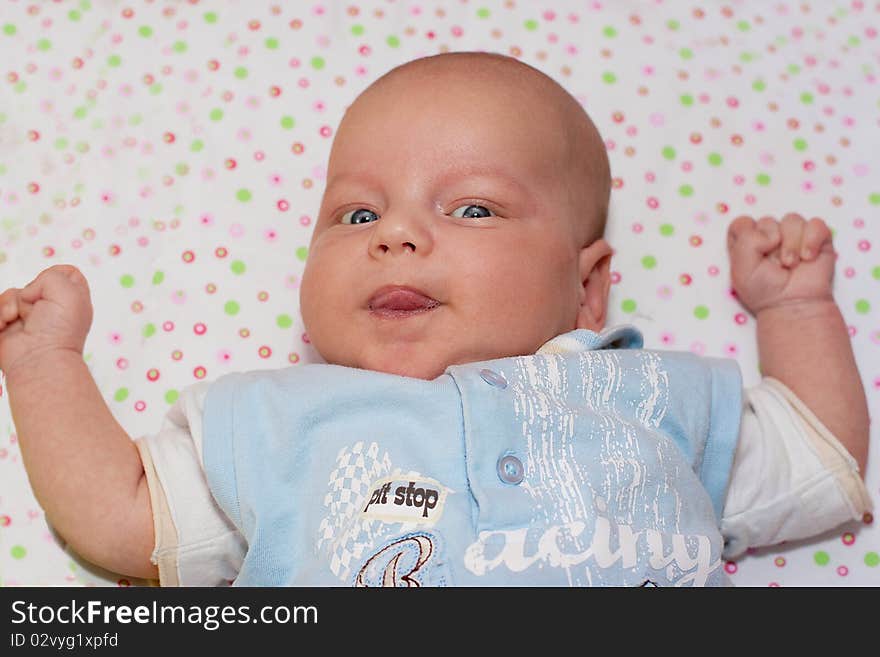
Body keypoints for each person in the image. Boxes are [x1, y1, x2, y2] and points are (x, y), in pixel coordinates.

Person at [0, 52, 870, 587]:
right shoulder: (276, 421)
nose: (399, 236)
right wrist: (44, 363)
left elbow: (820, 454)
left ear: (587, 289)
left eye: (475, 210)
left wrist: (794, 308)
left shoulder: (648, 398)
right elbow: (121, 516)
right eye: (357, 216)